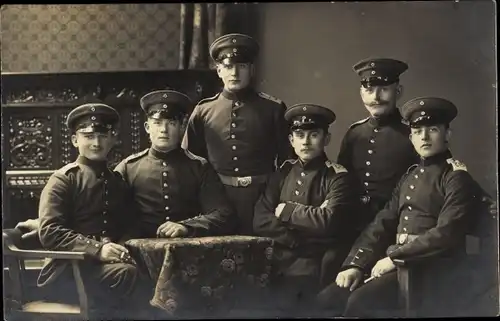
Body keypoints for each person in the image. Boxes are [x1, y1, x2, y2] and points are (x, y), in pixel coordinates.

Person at [317, 97, 484, 317]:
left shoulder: (455, 177)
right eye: (417, 131)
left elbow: (446, 233)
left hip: (430, 269)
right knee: (326, 299)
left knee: (359, 303)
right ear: (411, 137)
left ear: (447, 135)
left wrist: (394, 258)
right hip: (400, 263)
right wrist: (355, 265)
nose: (424, 137)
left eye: (432, 129)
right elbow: (381, 223)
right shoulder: (410, 176)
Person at [36, 103, 146, 318]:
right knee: (127, 276)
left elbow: (131, 225)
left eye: (103, 136)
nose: (96, 143)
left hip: (105, 269)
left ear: (113, 139)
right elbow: (50, 232)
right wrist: (98, 249)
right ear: (75, 140)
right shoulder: (63, 180)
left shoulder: (117, 181)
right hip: (67, 271)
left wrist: (121, 248)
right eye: (88, 136)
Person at [253, 103, 361, 317]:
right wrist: (297, 237)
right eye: (299, 135)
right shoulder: (282, 173)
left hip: (315, 265)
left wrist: (286, 212)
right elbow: (260, 219)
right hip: (278, 260)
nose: (305, 141)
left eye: (313, 135)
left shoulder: (338, 177)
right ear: (291, 140)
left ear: (326, 139)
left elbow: (328, 222)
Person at [182, 33, 293, 235]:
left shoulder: (273, 108)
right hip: (217, 201)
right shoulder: (203, 111)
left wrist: (276, 197)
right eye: (228, 66)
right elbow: (191, 162)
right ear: (219, 70)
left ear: (251, 70)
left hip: (263, 198)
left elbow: (288, 161)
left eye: (241, 66)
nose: (234, 72)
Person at [114, 90, 237, 239]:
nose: (163, 130)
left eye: (171, 123)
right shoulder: (128, 167)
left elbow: (223, 213)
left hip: (187, 249)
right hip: (140, 252)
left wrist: (186, 227)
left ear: (181, 127)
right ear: (147, 127)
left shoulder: (199, 166)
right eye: (157, 123)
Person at [337, 58, 420, 230]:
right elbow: (341, 181)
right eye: (369, 90)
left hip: (395, 224)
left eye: (384, 89)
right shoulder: (355, 133)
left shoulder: (413, 134)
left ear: (398, 91)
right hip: (353, 222)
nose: (376, 97)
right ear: (361, 94)